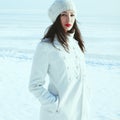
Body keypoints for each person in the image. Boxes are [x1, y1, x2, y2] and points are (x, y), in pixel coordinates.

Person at [29, 0, 90, 120]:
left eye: (72, 15)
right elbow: (34, 85)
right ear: (56, 18)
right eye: (63, 14)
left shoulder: (76, 45)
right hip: (58, 115)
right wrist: (55, 105)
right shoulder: (46, 46)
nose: (69, 19)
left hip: (81, 114)